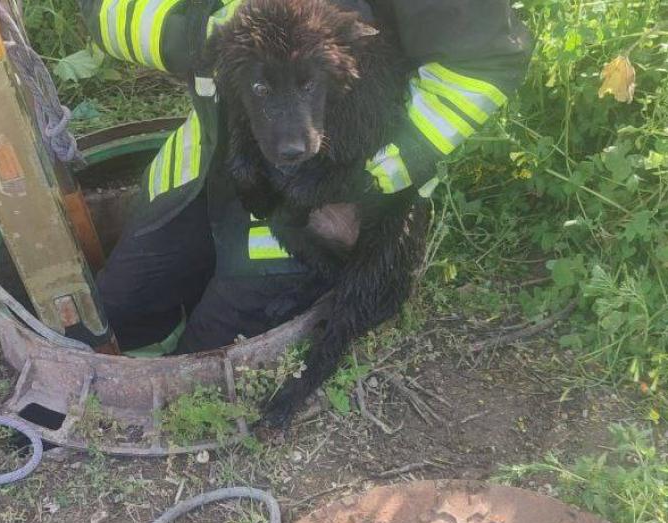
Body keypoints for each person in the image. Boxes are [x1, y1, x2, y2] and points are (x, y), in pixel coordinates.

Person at [78, 0, 532, 354]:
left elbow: (483, 64)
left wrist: (371, 177)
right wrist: (200, 32)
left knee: (206, 353)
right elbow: (106, 12)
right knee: (113, 310)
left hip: (323, 204)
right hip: (203, 165)